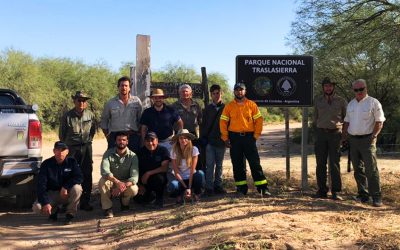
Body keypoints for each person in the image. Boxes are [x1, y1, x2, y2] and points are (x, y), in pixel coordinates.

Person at [220, 83, 269, 196]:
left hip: (249, 137)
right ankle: (241, 189)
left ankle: (263, 188)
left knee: (255, 163)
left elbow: (259, 121)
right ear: (234, 92)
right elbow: (223, 122)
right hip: (234, 138)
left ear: (245, 91)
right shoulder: (229, 106)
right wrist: (225, 137)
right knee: (237, 164)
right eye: (237, 90)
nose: (239, 92)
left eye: (241, 90)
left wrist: (255, 136)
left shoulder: (252, 105)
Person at [343, 79, 385, 207]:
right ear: (353, 91)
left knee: (371, 170)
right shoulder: (351, 104)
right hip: (353, 140)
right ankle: (363, 195)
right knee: (357, 169)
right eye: (356, 90)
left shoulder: (373, 102)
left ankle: (376, 197)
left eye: (361, 89)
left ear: (366, 88)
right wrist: (344, 137)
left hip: (368, 140)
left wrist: (373, 136)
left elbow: (379, 122)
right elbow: (347, 122)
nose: (359, 92)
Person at [59, 90, 96, 211]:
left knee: (87, 173)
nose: (81, 102)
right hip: (72, 148)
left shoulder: (90, 115)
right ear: (74, 101)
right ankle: (67, 203)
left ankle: (85, 202)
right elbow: (62, 135)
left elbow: (92, 131)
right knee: (69, 173)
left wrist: (87, 142)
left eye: (84, 100)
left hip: (86, 148)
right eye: (79, 100)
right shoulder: (67, 116)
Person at [313, 78, 348, 200]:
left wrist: (344, 136)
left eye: (330, 86)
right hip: (321, 134)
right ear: (323, 87)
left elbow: (346, 119)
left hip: (335, 135)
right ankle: (322, 190)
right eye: (326, 86)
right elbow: (315, 118)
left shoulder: (341, 101)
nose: (328, 88)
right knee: (320, 163)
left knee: (334, 163)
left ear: (333, 87)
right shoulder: (318, 100)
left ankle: (336, 191)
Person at [32, 141, 83, 225]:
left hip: (66, 193)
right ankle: (54, 211)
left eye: (63, 150)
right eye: (57, 150)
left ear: (67, 151)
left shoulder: (72, 162)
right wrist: (45, 203)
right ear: (54, 151)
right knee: (37, 207)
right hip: (52, 194)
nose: (60, 152)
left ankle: (70, 214)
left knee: (77, 188)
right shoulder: (46, 164)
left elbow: (79, 177)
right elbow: (41, 185)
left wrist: (66, 187)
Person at [99, 132, 139, 218]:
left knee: (134, 188)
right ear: (115, 141)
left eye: (124, 140)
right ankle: (108, 208)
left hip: (125, 182)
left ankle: (125, 204)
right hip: (112, 181)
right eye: (119, 140)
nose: (121, 142)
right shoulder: (108, 153)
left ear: (127, 142)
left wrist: (122, 186)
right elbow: (104, 171)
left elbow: (134, 177)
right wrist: (117, 183)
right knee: (102, 181)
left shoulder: (133, 156)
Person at [100, 76, 142, 153]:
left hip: (132, 137)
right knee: (114, 162)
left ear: (129, 88)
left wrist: (139, 134)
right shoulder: (110, 103)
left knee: (134, 161)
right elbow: (104, 120)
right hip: (115, 137)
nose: (124, 87)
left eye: (126, 85)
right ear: (118, 87)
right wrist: (107, 136)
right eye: (121, 85)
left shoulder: (136, 101)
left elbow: (140, 119)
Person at [200, 84, 226, 195]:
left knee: (219, 165)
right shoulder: (207, 109)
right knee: (209, 165)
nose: (216, 95)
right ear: (211, 95)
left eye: (218, 93)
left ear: (221, 93)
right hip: (209, 141)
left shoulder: (227, 108)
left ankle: (218, 186)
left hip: (221, 141)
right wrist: (203, 139)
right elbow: (203, 125)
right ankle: (209, 188)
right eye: (214, 93)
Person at [168, 129, 205, 203]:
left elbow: (192, 170)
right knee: (173, 185)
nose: (183, 140)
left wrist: (189, 187)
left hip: (191, 177)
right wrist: (186, 188)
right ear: (178, 140)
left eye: (185, 138)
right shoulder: (174, 151)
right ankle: (180, 196)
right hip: (180, 179)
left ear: (188, 139)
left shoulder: (194, 149)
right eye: (181, 138)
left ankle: (196, 194)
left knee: (200, 174)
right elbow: (176, 172)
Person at [172, 84, 203, 170]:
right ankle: (182, 179)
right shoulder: (174, 106)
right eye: (182, 91)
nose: (184, 93)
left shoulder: (196, 105)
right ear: (179, 93)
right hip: (180, 135)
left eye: (186, 91)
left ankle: (197, 178)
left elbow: (200, 121)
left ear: (190, 93)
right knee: (181, 158)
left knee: (195, 156)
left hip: (192, 135)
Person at [137, 131, 170, 208]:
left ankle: (159, 199)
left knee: (159, 178)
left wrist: (148, 173)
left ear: (157, 141)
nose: (150, 143)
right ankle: (150, 195)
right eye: (148, 141)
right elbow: (135, 169)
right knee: (138, 199)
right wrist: (139, 184)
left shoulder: (163, 150)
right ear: (144, 142)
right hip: (143, 180)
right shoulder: (140, 152)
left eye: (152, 140)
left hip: (158, 178)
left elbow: (164, 168)